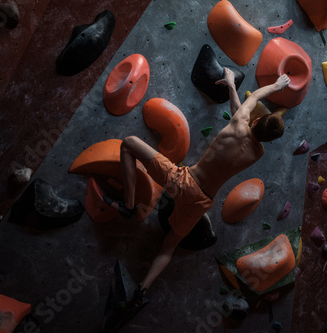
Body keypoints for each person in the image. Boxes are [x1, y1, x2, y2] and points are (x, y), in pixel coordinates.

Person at [104, 68, 290, 307]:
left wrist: (274, 85)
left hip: (183, 181)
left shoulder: (239, 122)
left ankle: (128, 207)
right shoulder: (258, 153)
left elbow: (251, 100)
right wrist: (232, 88)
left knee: (129, 144)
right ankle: (142, 291)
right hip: (201, 202)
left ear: (254, 119)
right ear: (268, 141)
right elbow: (240, 115)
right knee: (169, 244)